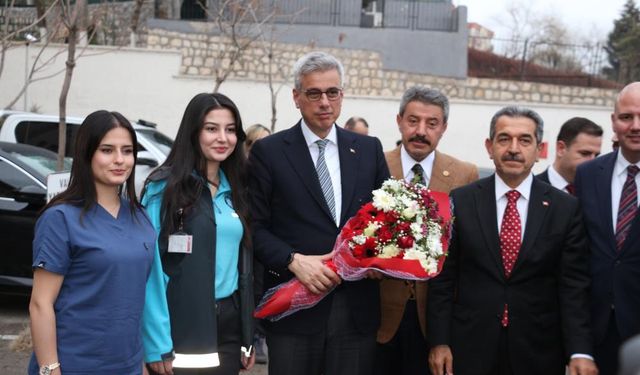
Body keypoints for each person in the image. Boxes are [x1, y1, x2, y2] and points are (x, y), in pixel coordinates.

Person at [248, 51, 390, 375]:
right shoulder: (269, 152)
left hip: (356, 310)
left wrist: (377, 259)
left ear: (342, 95)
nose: (324, 102)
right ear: (297, 97)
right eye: (314, 93)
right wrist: (293, 260)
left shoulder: (368, 149)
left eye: (332, 92)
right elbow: (254, 226)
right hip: (295, 308)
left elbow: (386, 220)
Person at [428, 106, 597, 375]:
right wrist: (439, 341)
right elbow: (443, 279)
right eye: (504, 139)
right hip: (470, 347)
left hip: (539, 350)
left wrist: (579, 350)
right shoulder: (462, 200)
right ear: (489, 146)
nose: (514, 148)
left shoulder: (565, 209)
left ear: (540, 150)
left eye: (525, 140)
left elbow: (573, 287)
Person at [28, 110, 155, 375]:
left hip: (127, 365)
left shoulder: (140, 217)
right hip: (74, 364)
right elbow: (41, 303)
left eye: (127, 150)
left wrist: (141, 365)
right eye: (107, 150)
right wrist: (50, 369)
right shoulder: (60, 218)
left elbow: (133, 301)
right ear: (87, 154)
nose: (120, 160)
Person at [141, 93, 254, 375]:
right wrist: (155, 342)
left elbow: (244, 266)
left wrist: (247, 334)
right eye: (211, 128)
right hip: (181, 324)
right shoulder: (163, 188)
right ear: (193, 131)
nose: (223, 138)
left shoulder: (238, 189)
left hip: (228, 326)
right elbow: (149, 268)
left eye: (230, 130)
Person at [376, 86, 478, 375]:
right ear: (399, 121)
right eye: (413, 121)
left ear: (443, 128)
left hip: (437, 317)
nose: (421, 131)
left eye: (431, 124)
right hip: (379, 314)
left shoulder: (464, 174)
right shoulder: (375, 164)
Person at [574, 82, 640, 375]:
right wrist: (578, 343)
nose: (635, 126)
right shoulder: (588, 175)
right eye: (626, 117)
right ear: (613, 121)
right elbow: (575, 262)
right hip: (597, 334)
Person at [243, 123, 272, 365]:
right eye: (255, 144)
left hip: (264, 243)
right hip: (242, 243)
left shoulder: (272, 173)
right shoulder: (237, 175)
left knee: (261, 287)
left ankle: (259, 335)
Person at [537, 117, 602, 194]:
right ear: (561, 148)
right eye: (585, 153)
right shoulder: (531, 189)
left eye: (596, 155)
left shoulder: (597, 193)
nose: (593, 161)